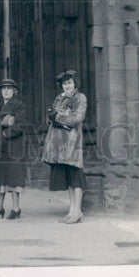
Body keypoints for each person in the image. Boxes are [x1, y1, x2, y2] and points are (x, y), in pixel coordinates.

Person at [41, 69, 87, 223]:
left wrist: (58, 116)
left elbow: (77, 118)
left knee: (76, 175)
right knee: (68, 177)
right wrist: (50, 117)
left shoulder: (80, 98)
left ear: (75, 83)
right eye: (64, 84)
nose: (67, 86)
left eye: (69, 83)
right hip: (59, 143)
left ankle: (78, 210)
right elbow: (51, 119)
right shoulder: (58, 98)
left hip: (72, 142)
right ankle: (71, 210)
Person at [0, 78, 29, 219]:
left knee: (13, 177)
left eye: (9, 88)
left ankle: (16, 208)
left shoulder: (19, 105)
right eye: (4, 88)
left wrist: (5, 133)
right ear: (1, 91)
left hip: (13, 146)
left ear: (14, 91)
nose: (6, 91)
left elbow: (21, 125)